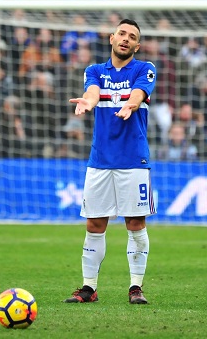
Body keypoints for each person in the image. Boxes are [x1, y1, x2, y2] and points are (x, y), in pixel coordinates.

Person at [65, 19, 156, 305]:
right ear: (111, 38)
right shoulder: (94, 71)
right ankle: (89, 288)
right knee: (94, 224)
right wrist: (88, 103)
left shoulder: (145, 69)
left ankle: (135, 287)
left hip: (133, 159)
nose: (126, 39)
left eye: (132, 36)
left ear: (137, 45)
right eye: (122, 34)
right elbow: (92, 93)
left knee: (135, 222)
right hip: (100, 160)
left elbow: (139, 93)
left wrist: (131, 103)